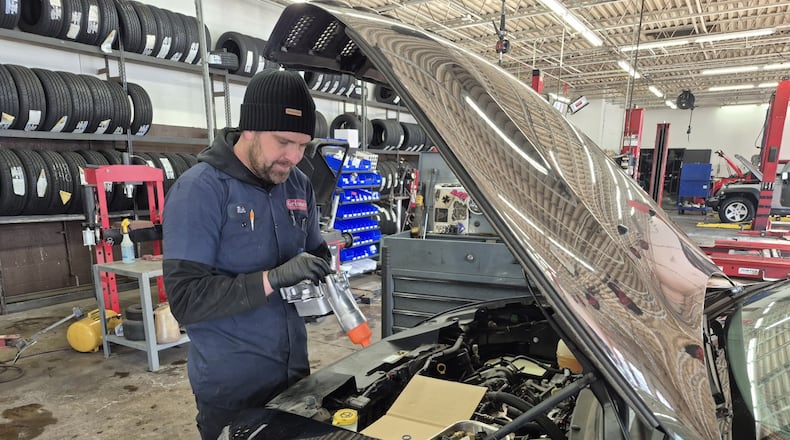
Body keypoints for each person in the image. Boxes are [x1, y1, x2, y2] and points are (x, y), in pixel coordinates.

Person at [162, 69, 334, 440]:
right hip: (232, 388)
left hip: (293, 376)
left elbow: (314, 247)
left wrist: (321, 265)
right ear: (250, 129)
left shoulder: (298, 183)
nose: (294, 157)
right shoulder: (200, 191)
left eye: (303, 145)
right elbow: (186, 301)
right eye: (284, 141)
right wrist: (273, 279)